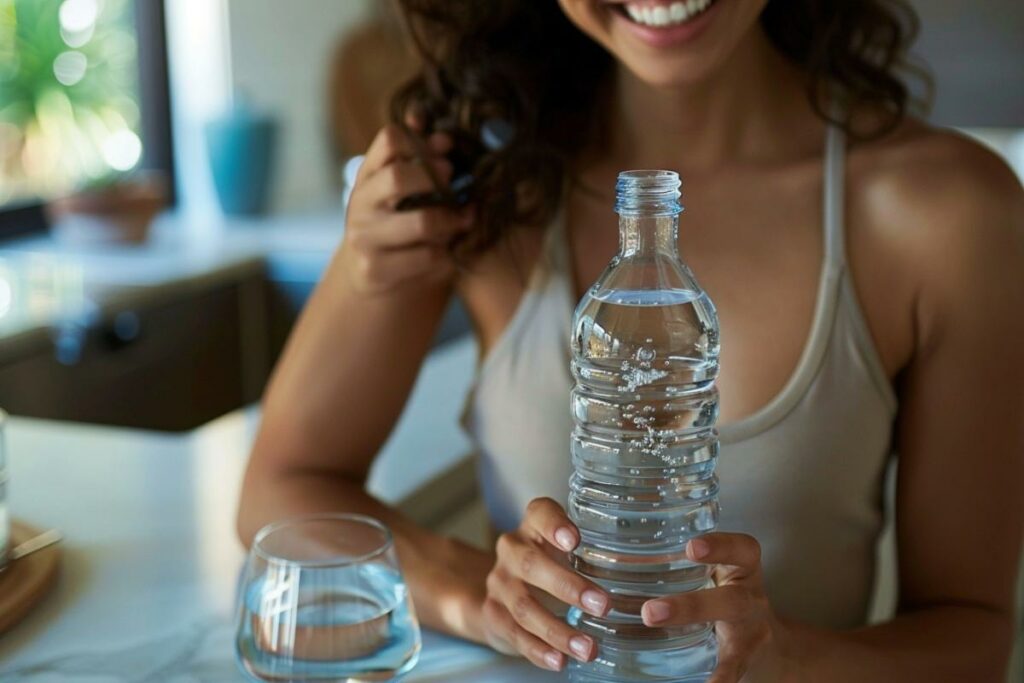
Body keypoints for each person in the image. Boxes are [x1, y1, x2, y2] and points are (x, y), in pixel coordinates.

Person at [237, 1, 1024, 680]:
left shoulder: (951, 214)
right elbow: (280, 492)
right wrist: (483, 595)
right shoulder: (471, 191)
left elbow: (974, 642)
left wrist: (790, 659)